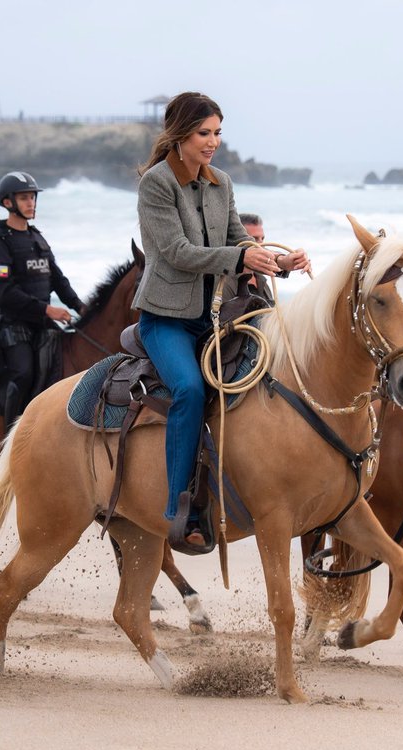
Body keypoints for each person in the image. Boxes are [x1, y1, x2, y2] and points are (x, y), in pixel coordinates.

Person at [133, 92, 310, 552]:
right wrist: (241, 254)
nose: (213, 143)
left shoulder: (221, 183)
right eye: (204, 134)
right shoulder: (156, 184)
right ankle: (177, 504)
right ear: (179, 135)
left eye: (217, 134)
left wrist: (282, 261)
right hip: (166, 320)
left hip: (215, 318)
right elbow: (177, 253)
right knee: (190, 390)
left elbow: (237, 241)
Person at [0, 171, 86, 431]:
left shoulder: (36, 237)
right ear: (8, 203)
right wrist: (48, 310)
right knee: (23, 373)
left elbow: (58, 280)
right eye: (25, 198)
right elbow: (5, 293)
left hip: (43, 323)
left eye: (33, 198)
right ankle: (11, 436)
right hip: (14, 325)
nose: (31, 203)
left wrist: (82, 307)